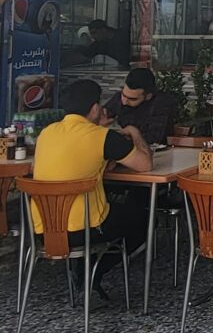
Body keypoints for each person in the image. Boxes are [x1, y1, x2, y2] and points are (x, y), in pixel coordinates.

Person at [32, 77, 152, 278]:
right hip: (87, 228)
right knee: (144, 219)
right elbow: (146, 165)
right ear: (95, 109)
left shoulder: (46, 133)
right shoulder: (102, 136)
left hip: (42, 229)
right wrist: (135, 132)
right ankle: (94, 270)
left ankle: (83, 269)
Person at [102, 66, 178, 147]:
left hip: (157, 152)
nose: (124, 102)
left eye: (132, 99)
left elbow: (154, 138)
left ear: (148, 96)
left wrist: (131, 131)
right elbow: (101, 116)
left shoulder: (161, 104)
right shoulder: (119, 98)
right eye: (123, 95)